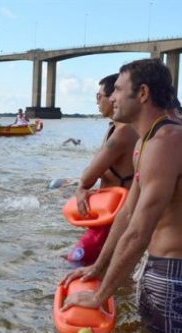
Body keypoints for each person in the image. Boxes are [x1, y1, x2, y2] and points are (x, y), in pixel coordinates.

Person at [61, 58, 182, 333]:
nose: (112, 97)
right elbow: (125, 216)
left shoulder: (167, 142)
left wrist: (100, 296)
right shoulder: (147, 141)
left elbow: (139, 230)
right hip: (163, 268)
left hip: (179, 274)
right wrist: (98, 269)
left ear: (143, 93)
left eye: (118, 90)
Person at [66, 73, 139, 266]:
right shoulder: (113, 129)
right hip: (109, 215)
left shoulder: (123, 134)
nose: (97, 102)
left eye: (99, 97)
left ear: (114, 98)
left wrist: (82, 186)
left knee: (74, 262)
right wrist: (81, 185)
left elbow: (88, 177)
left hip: (116, 219)